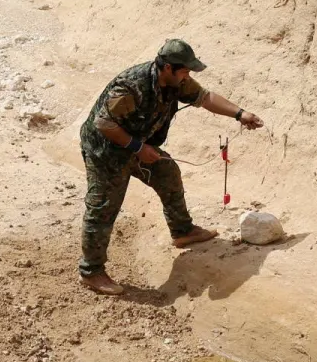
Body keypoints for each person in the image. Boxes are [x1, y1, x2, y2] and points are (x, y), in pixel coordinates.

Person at [78, 38, 264, 295]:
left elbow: (204, 97)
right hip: (106, 150)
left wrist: (239, 113)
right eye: (185, 70)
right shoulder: (132, 86)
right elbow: (104, 125)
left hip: (137, 144)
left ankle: (182, 231)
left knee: (168, 174)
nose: (188, 75)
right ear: (167, 67)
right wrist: (139, 149)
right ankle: (92, 272)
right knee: (103, 207)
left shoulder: (177, 81)